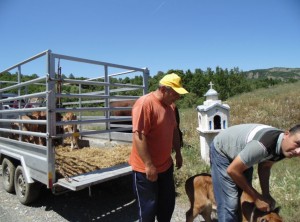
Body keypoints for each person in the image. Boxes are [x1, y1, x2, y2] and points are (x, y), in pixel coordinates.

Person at [210, 123, 300, 222]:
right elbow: (232, 170)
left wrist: (266, 194)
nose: (298, 151)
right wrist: (257, 198)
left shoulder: (284, 148)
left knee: (242, 197)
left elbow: (265, 166)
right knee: (229, 203)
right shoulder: (262, 145)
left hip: (244, 153)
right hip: (223, 150)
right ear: (287, 134)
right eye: (297, 143)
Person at [129, 73, 188, 222]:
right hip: (145, 170)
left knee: (167, 207)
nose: (178, 97)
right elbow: (139, 136)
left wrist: (178, 153)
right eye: (175, 93)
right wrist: (149, 165)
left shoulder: (171, 107)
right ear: (163, 89)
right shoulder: (145, 104)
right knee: (148, 211)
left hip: (166, 167)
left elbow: (174, 130)